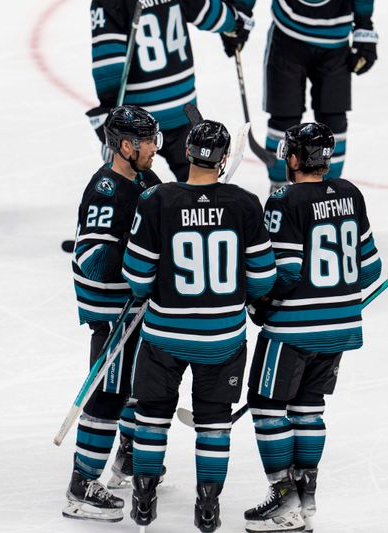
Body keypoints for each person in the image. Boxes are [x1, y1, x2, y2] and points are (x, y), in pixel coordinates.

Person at [122, 120, 276, 532]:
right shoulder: (244, 204)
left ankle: (143, 494)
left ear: (187, 153)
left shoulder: (157, 200)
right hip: (222, 338)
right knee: (214, 422)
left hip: (164, 335)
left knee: (152, 415)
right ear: (224, 160)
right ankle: (207, 506)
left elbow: (137, 277)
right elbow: (263, 279)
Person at [243, 122, 382, 532]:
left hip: (291, 330)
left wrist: (259, 303)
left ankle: (283, 504)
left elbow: (282, 272)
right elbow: (370, 267)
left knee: (268, 408)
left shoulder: (283, 198)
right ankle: (306, 500)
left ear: (296, 158)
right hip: (339, 326)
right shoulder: (350, 194)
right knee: (308, 409)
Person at [64, 106, 163, 523]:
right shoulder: (106, 189)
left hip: (138, 308)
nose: (156, 148)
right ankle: (82, 485)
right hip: (115, 312)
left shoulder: (145, 179)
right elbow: (91, 257)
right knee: (107, 396)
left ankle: (126, 457)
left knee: (135, 388)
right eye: (148, 142)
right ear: (126, 146)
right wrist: (137, 263)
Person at [87, 0, 254, 182]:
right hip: (182, 110)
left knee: (130, 186)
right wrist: (235, 23)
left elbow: (108, 70)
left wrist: (111, 115)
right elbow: (209, 13)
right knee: (196, 184)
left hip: (137, 121)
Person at [247, 0, 378, 192]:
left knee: (333, 119)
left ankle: (328, 191)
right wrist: (240, 11)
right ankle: (280, 189)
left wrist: (365, 26)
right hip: (287, 37)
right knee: (284, 118)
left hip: (335, 43)